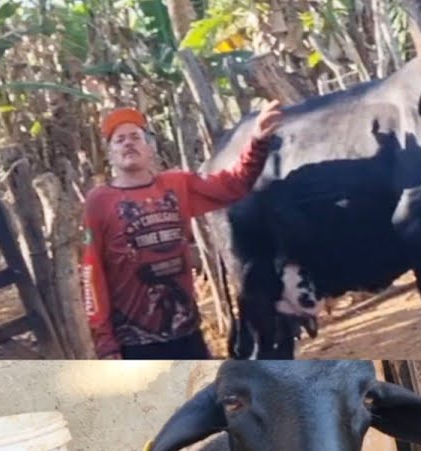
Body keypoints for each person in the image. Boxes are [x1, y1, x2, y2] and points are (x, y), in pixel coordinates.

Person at [81, 102, 283, 359]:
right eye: (119, 140)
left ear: (150, 148)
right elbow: (92, 272)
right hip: (135, 342)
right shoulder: (99, 201)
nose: (128, 143)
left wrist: (257, 141)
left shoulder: (177, 185)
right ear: (110, 154)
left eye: (135, 137)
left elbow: (233, 185)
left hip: (187, 333)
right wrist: (105, 343)